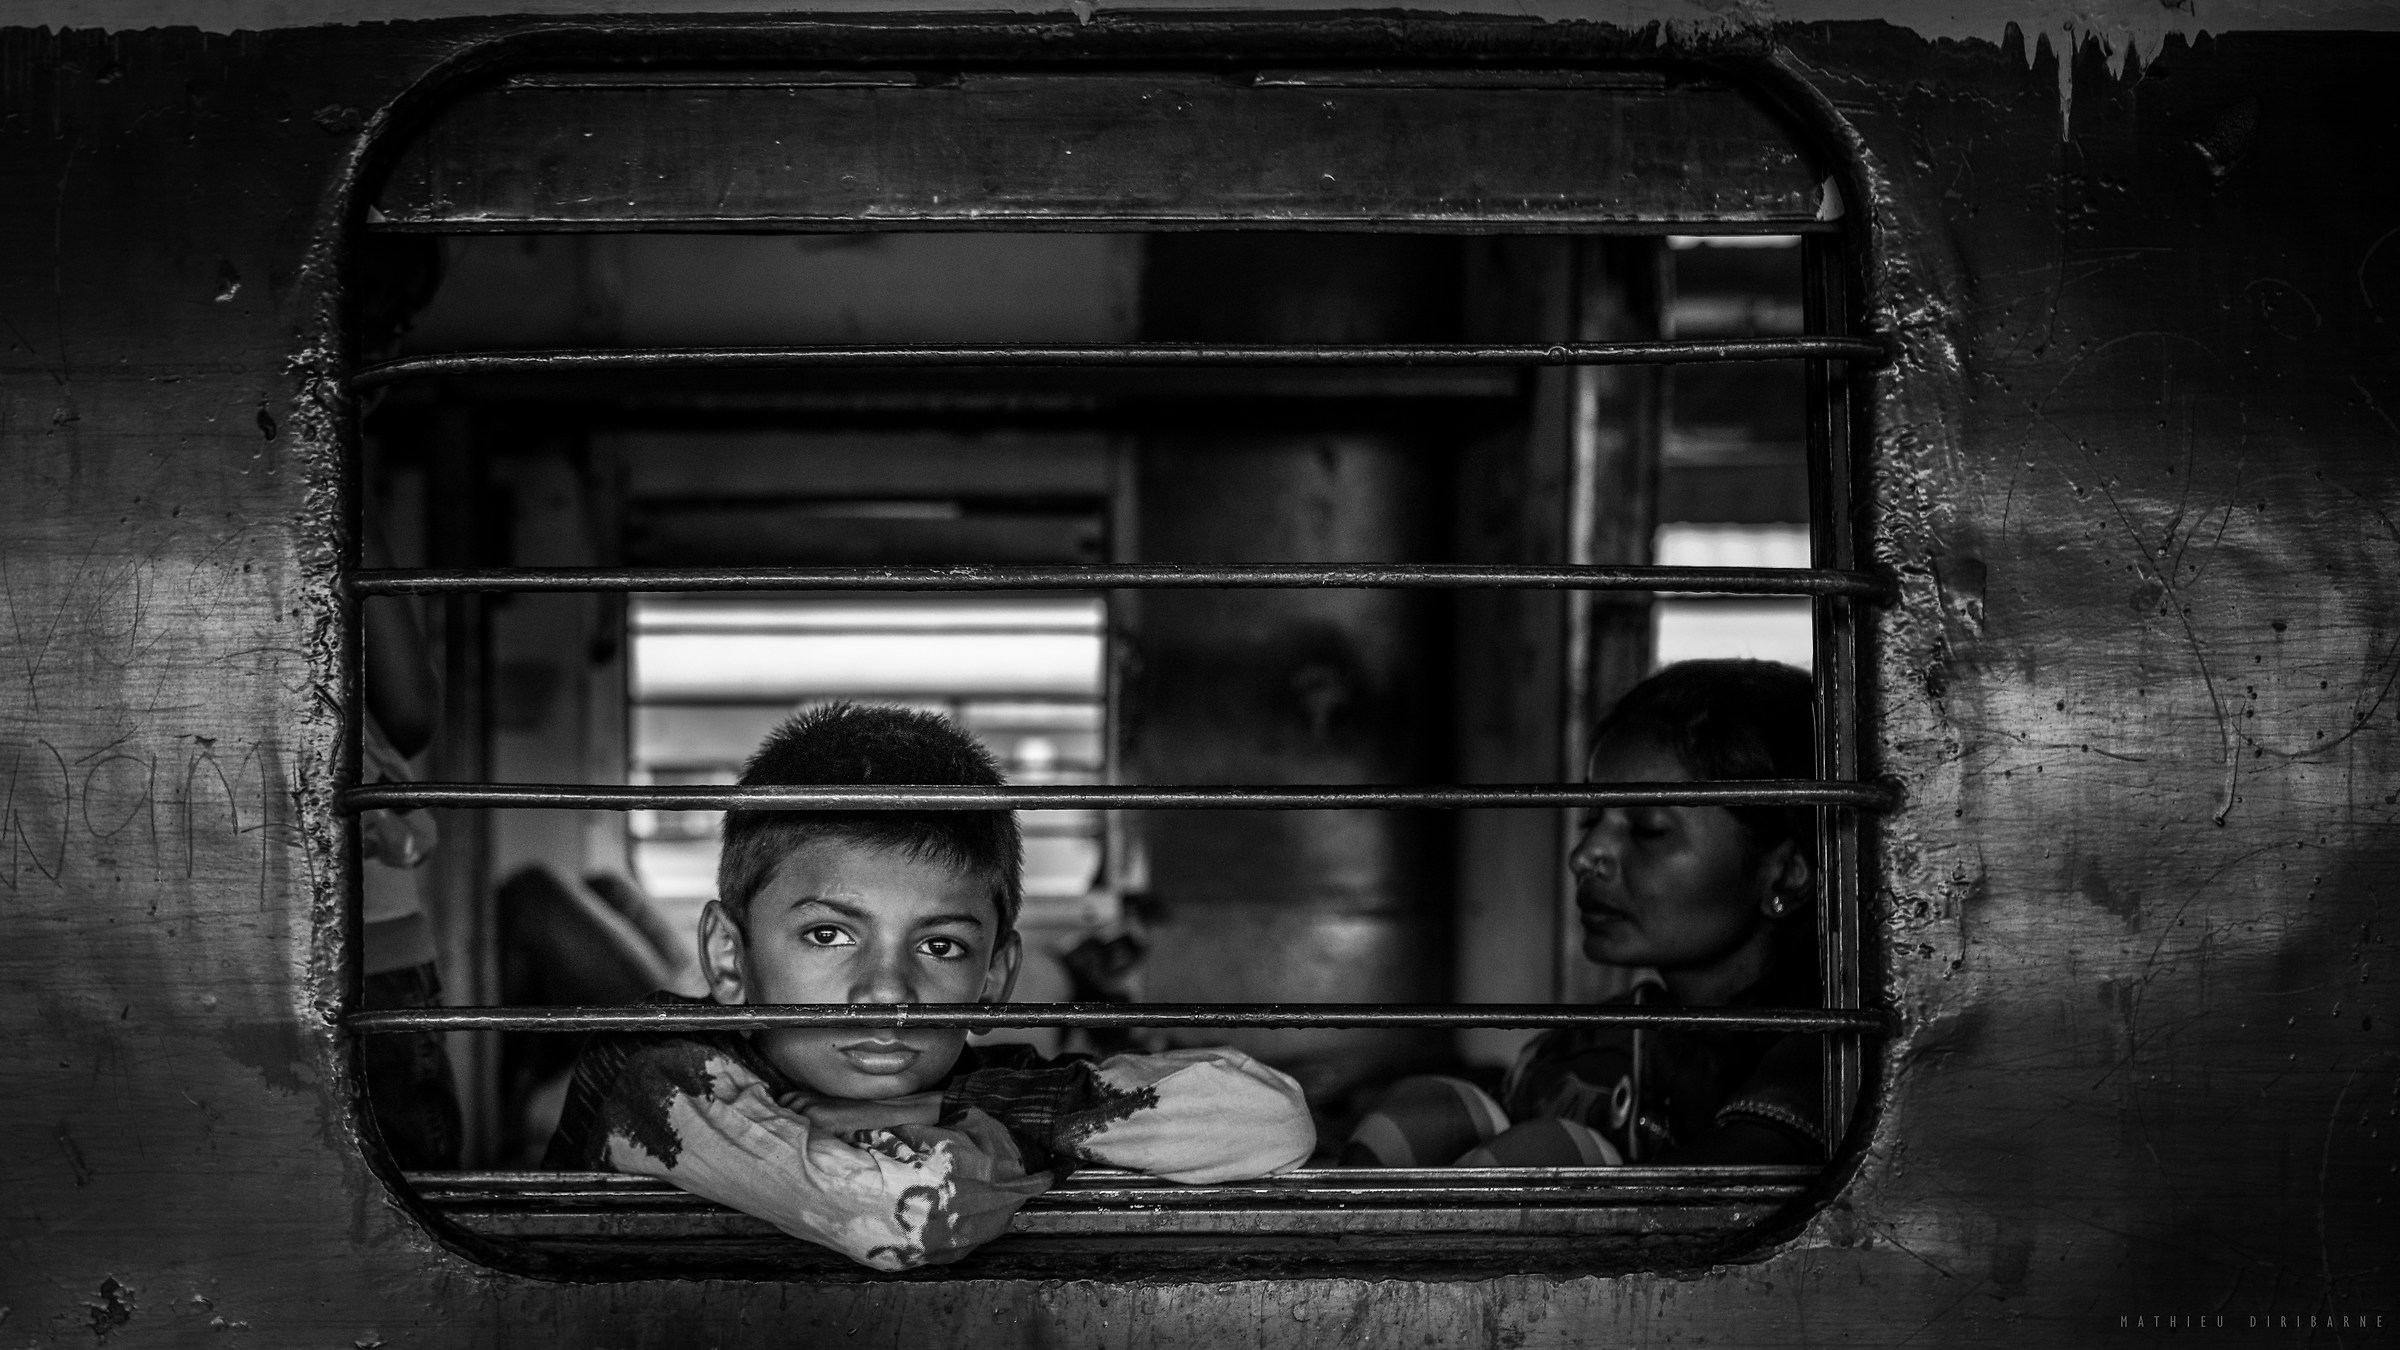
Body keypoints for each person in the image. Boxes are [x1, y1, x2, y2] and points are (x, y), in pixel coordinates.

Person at [544, 702, 1314, 1270]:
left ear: (994, 980)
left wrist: (949, 1120)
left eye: (940, 945)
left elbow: (1270, 1120)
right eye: (828, 935)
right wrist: (1036, 1141)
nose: (887, 991)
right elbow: (899, 1218)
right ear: (727, 956)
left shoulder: (984, 1089)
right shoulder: (653, 1074)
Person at [1344, 660, 1827, 1168]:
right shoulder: (1587, 1052)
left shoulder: (1824, 1057)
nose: (1585, 857)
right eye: (1591, 820)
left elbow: (1728, 1203)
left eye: (1647, 830)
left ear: (1786, 874)